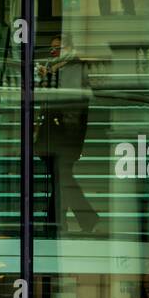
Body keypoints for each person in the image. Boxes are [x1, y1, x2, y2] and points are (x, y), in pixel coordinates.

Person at [35, 34, 102, 236]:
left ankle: (61, 221)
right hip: (54, 132)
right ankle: (56, 221)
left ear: (69, 48)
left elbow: (70, 102)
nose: (53, 52)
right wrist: (47, 76)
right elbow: (44, 97)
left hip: (64, 134)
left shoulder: (73, 68)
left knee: (61, 176)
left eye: (58, 48)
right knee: (60, 178)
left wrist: (70, 136)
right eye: (52, 48)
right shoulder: (57, 68)